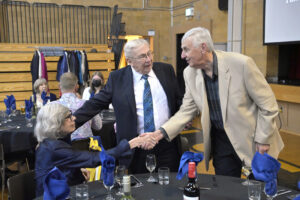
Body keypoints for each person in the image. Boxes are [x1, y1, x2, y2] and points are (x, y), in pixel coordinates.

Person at [144, 27, 284, 178]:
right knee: (226, 189)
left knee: (259, 189)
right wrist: (158, 134)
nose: (182, 55)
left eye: (186, 49)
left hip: (253, 139)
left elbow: (268, 105)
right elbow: (186, 110)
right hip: (221, 142)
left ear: (203, 47)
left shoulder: (242, 64)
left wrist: (263, 139)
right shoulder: (189, 73)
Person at [74, 39, 183, 173]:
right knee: (140, 189)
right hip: (135, 147)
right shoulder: (117, 78)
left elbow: (178, 99)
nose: (148, 59)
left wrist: (183, 118)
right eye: (142, 56)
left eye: (149, 53)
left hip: (167, 144)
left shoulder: (166, 70)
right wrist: (72, 121)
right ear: (129, 61)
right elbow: (95, 104)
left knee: (169, 187)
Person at [34, 103, 144, 196]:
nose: (74, 118)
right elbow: (95, 159)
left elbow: (57, 167)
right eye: (69, 116)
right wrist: (128, 145)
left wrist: (76, 169)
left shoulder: (50, 142)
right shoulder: (54, 148)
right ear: (56, 123)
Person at [52, 72, 102, 141]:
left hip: (62, 148)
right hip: (85, 148)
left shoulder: (50, 107)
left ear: (59, 86)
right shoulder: (89, 104)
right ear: (77, 87)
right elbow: (98, 126)